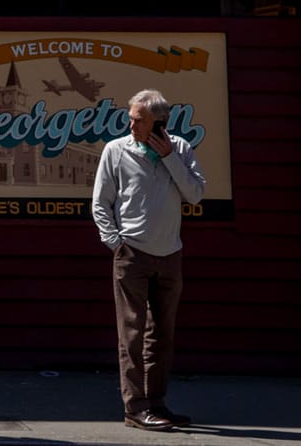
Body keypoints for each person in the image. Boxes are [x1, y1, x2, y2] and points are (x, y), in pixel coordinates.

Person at [91, 88, 206, 432]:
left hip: (170, 253)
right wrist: (116, 244)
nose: (132, 125)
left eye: (139, 120)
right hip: (132, 255)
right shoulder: (116, 150)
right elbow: (101, 202)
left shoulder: (181, 149)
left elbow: (196, 194)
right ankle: (135, 408)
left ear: (159, 122)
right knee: (132, 334)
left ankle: (157, 403)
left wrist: (170, 156)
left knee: (162, 335)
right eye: (131, 118)